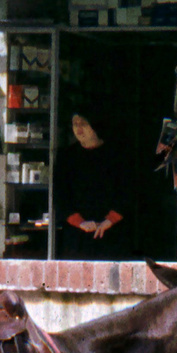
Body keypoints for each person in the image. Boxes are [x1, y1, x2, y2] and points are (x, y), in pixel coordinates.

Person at [55, 110, 129, 259]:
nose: (78, 129)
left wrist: (109, 220)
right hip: (77, 236)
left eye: (83, 124)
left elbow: (126, 191)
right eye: (75, 124)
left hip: (111, 233)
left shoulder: (116, 155)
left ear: (95, 125)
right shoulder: (66, 157)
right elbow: (61, 195)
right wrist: (80, 222)